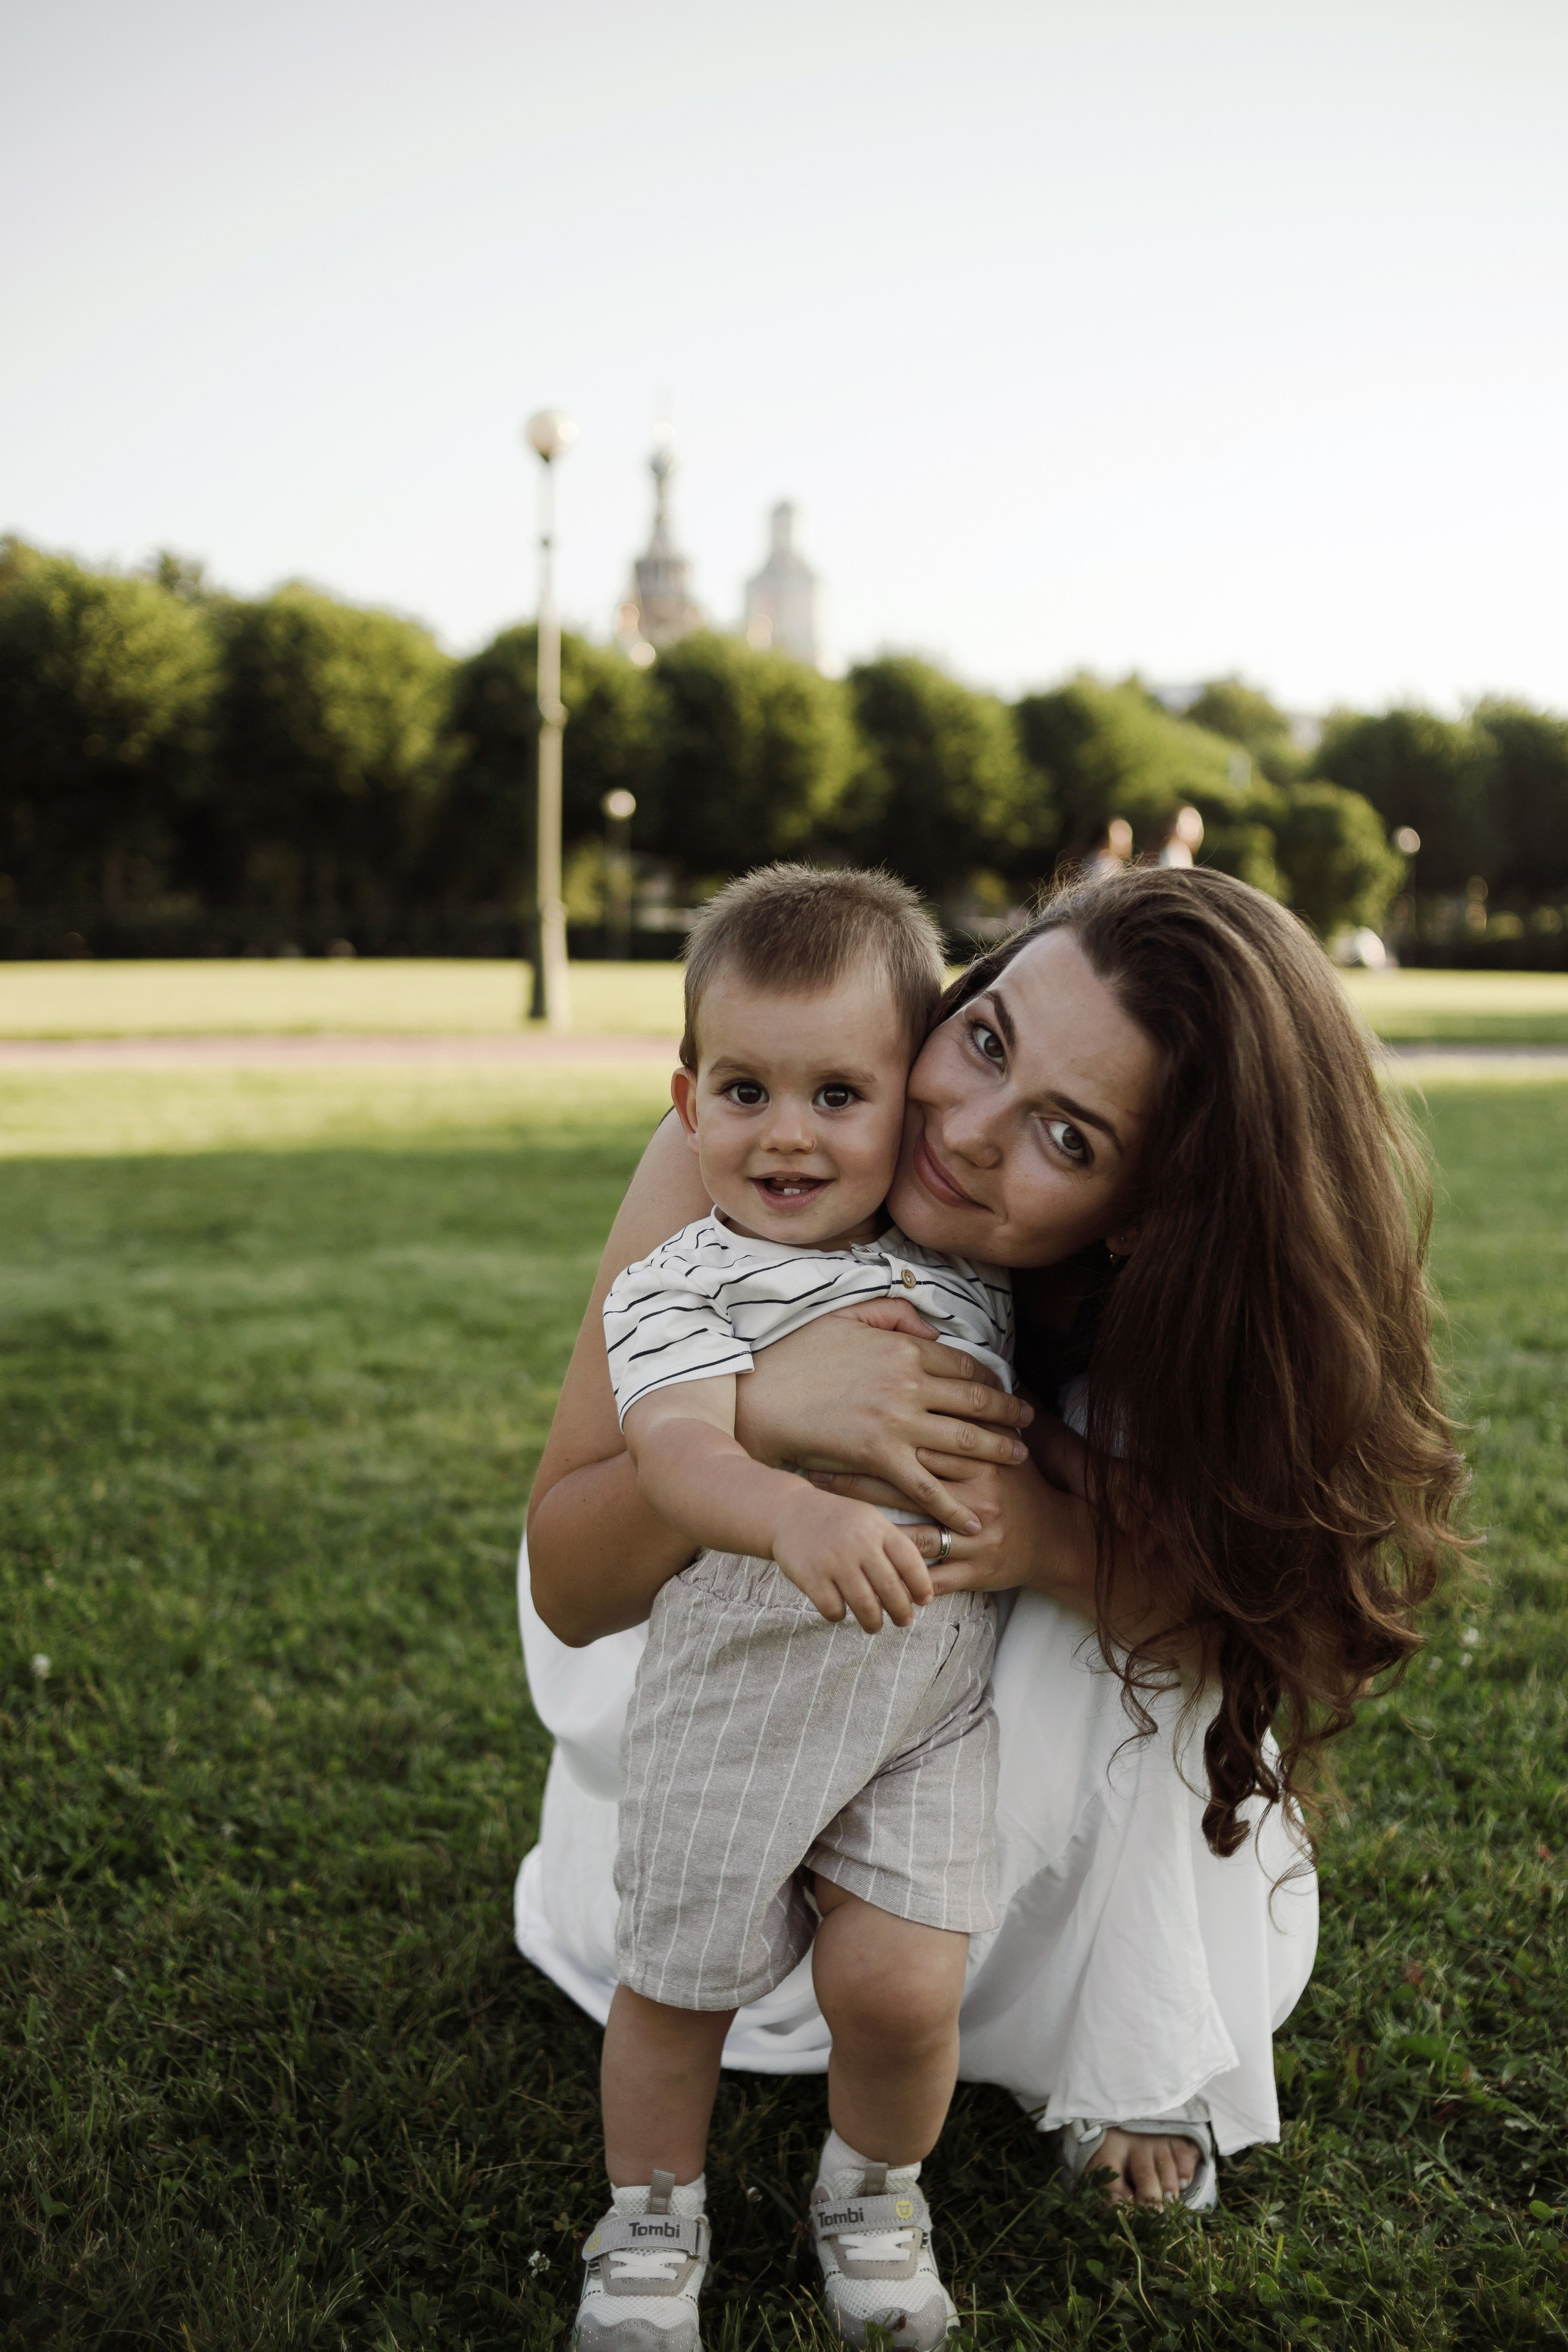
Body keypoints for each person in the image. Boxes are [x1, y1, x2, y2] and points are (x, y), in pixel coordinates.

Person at [522, 865, 1463, 2324]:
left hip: (947, 1744)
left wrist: (1043, 1529)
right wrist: (759, 1414)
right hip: (722, 1678)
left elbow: (1289, 1621)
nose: (959, 1129)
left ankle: (1112, 2024)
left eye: (1066, 1136)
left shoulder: (1187, 1294)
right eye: (984, 1041)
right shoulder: (773, 1128)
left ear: (1148, 1213)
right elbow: (571, 1584)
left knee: (1158, 1515)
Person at [586, 866, 1012, 2351]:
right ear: (686, 1097)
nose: (784, 1132)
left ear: (911, 1104)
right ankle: (647, 2222)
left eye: (839, 1094)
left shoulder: (961, 1264)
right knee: (675, 1987)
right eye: (745, 1089)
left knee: (902, 1988)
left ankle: (875, 2191)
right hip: (740, 1688)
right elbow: (679, 1452)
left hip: (925, 1701)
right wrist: (796, 1510)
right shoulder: (678, 1285)